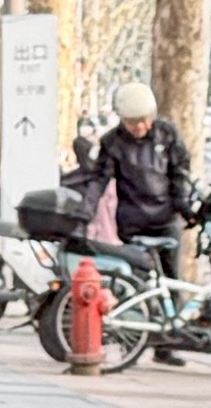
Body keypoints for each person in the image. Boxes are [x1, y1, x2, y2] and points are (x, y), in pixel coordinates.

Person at [83, 81, 195, 362]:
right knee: (137, 282)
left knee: (171, 280)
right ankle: (132, 339)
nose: (140, 127)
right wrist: (86, 210)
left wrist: (184, 206)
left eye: (144, 120)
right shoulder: (113, 142)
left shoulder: (167, 134)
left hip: (166, 220)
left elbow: (180, 172)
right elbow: (99, 179)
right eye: (133, 122)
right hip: (133, 221)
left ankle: (166, 344)